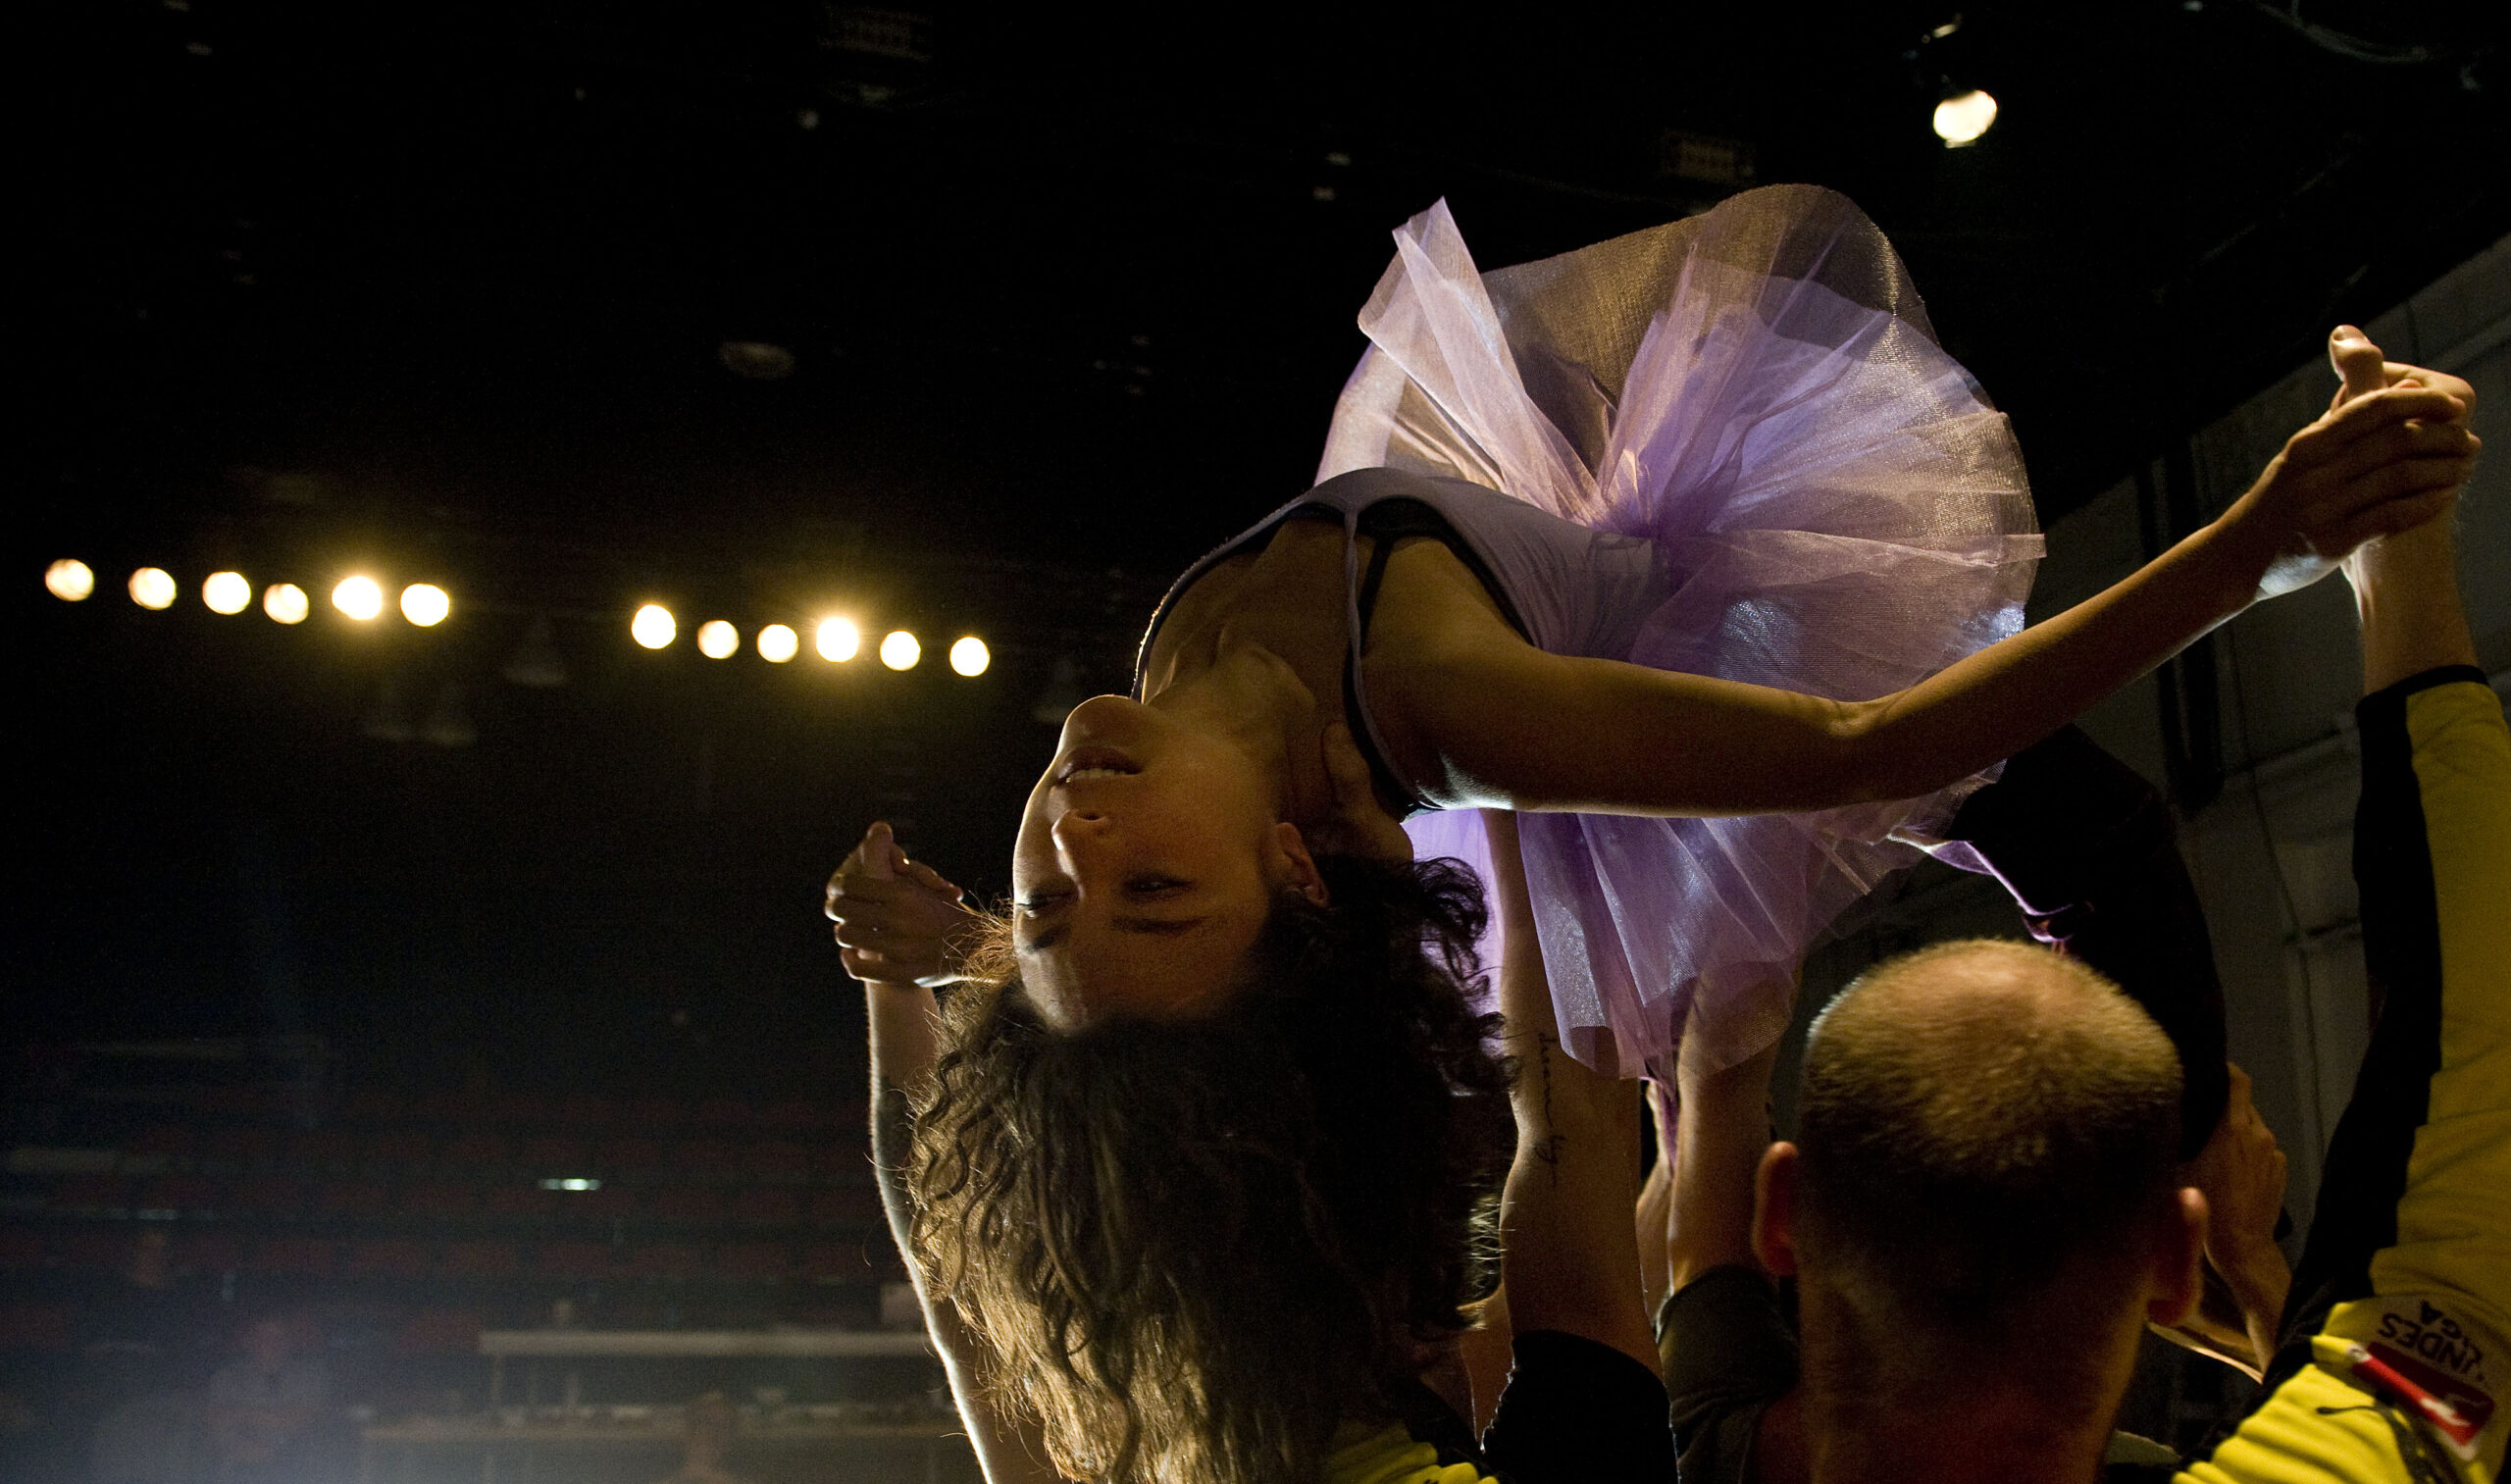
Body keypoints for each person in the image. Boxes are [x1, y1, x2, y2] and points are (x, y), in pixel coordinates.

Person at [1661, 348, 2502, 1482]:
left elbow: (2476, 1013)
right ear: (2172, 1256)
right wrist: (2401, 539)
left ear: (1785, 1211)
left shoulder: (1716, 1442)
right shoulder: (2350, 1456)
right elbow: (2467, 1025)